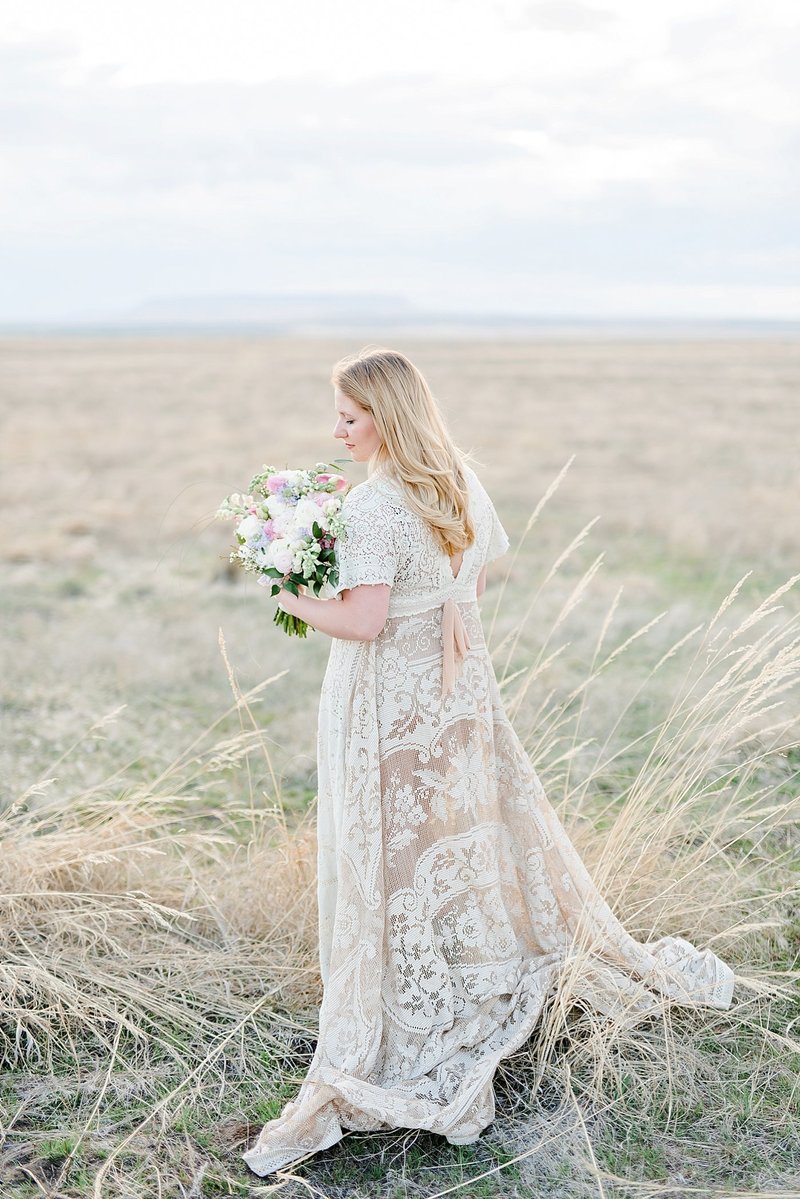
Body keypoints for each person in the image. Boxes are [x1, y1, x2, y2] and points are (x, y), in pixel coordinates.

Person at [242, 348, 735, 1178]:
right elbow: (472, 570)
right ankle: (458, 963)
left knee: (392, 849)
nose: (338, 430)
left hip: (389, 701)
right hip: (456, 690)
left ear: (387, 417)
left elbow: (363, 622)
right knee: (451, 831)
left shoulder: (372, 509)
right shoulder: (455, 479)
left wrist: (285, 590)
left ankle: (409, 1000)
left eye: (351, 417)